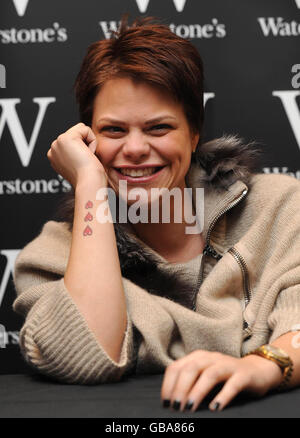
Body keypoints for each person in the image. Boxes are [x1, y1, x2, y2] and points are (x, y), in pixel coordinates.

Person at [13, 15, 300, 413]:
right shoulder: (52, 256)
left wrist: (265, 366)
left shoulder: (279, 206)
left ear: (194, 134)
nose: (134, 148)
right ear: (86, 139)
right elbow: (83, 355)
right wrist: (89, 185)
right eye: (113, 130)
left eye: (158, 128)